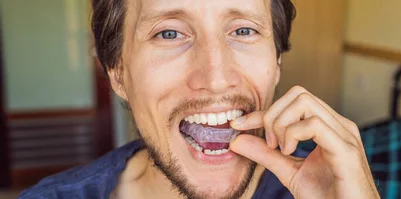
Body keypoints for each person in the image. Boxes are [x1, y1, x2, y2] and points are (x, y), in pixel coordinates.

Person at [18, 0, 379, 198]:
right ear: (118, 73)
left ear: (277, 62)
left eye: (243, 30)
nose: (217, 77)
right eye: (169, 33)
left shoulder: (336, 191)